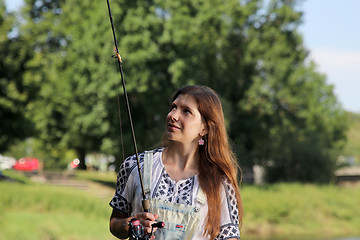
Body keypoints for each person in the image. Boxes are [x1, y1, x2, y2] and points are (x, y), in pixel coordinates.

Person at [109, 85, 243, 239]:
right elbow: (115, 223)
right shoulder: (135, 165)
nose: (173, 115)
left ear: (205, 128)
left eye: (186, 111)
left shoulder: (220, 182)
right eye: (173, 107)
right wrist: (131, 224)